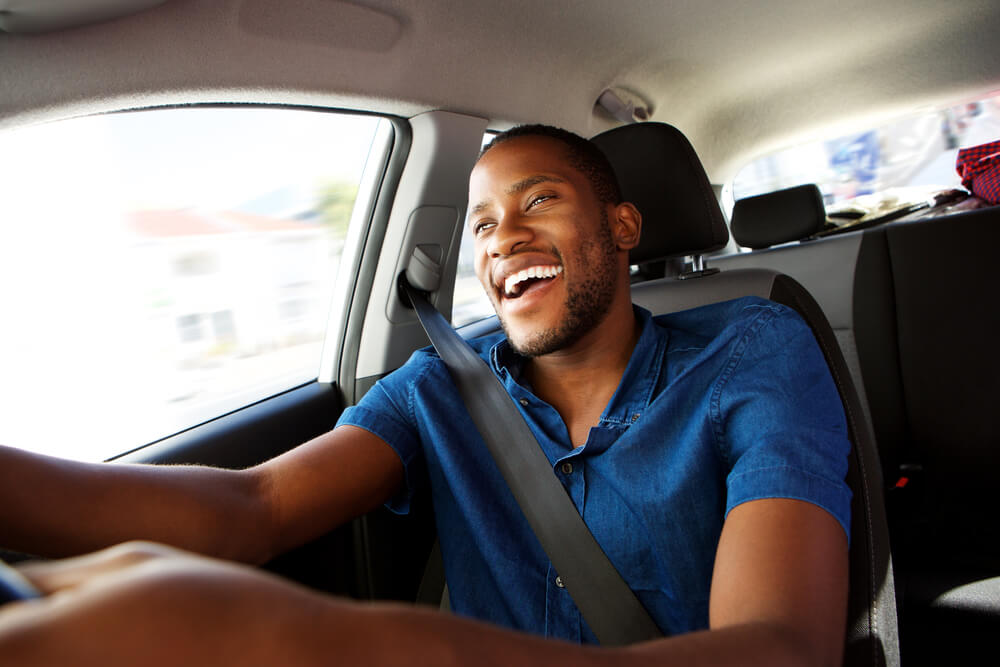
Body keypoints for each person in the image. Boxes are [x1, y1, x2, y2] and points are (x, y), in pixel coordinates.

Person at [0, 125, 851, 666]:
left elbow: (782, 645)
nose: (503, 236)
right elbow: (253, 504)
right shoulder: (442, 385)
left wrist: (313, 640)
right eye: (481, 224)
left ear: (622, 227)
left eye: (540, 200)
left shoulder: (752, 349)